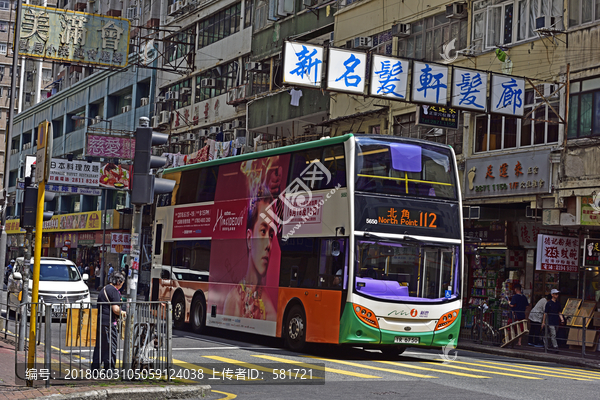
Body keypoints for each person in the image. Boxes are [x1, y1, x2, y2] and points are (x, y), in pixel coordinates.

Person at [224, 193, 276, 320]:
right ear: (249, 239)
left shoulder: (271, 312)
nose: (268, 244)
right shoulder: (233, 301)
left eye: (271, 235)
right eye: (263, 231)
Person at [92, 272, 125, 370]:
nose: (121, 286)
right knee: (111, 347)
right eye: (122, 283)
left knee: (99, 347)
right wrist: (123, 313)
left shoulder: (104, 289)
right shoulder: (114, 291)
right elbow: (115, 309)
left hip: (100, 322)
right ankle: (109, 370)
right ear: (118, 282)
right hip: (109, 323)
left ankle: (95, 369)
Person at [541, 289, 564, 353]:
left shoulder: (558, 303)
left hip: (556, 320)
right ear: (552, 295)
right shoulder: (548, 303)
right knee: (553, 334)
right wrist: (543, 322)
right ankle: (555, 347)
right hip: (550, 321)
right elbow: (545, 313)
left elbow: (559, 312)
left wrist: (562, 319)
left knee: (552, 334)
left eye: (557, 294)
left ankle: (547, 343)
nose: (557, 295)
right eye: (556, 294)